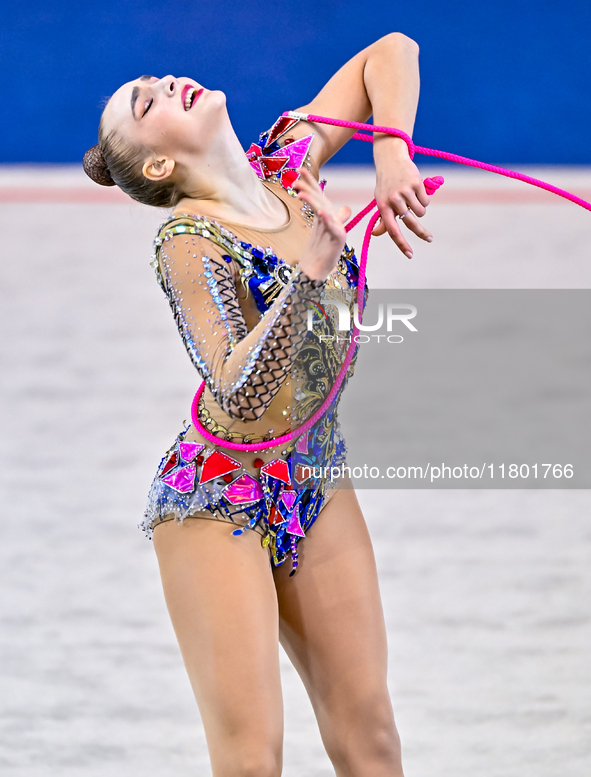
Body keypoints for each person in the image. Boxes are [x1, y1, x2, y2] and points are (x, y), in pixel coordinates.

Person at [83, 32, 433, 777]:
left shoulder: (285, 163)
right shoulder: (186, 239)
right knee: (250, 759)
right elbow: (237, 385)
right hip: (214, 497)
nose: (166, 81)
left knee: (370, 736)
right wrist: (308, 271)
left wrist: (391, 150)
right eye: (145, 102)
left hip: (312, 474)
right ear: (157, 164)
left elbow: (390, 53)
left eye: (153, 77)